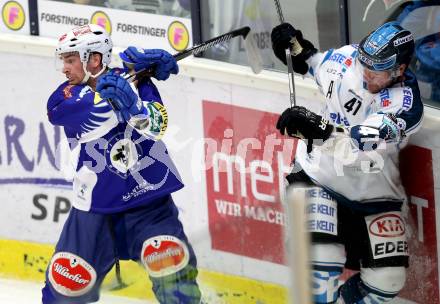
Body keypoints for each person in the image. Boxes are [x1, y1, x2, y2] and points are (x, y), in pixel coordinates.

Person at [42, 23, 202, 303]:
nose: (64, 69)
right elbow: (83, 113)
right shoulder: (65, 97)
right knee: (64, 291)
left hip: (149, 205)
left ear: (93, 59)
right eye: (63, 60)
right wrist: (130, 93)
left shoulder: (132, 82)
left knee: (177, 283)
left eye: (70, 60)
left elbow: (156, 126)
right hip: (93, 213)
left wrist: (140, 89)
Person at [271, 21, 423, 303]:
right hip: (319, 177)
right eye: (363, 62)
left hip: (374, 192)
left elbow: (360, 145)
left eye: (375, 69)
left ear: (399, 70)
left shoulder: (405, 104)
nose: (365, 72)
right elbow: (313, 62)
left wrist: (320, 130)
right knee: (320, 261)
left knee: (388, 281)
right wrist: (291, 47)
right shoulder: (347, 60)